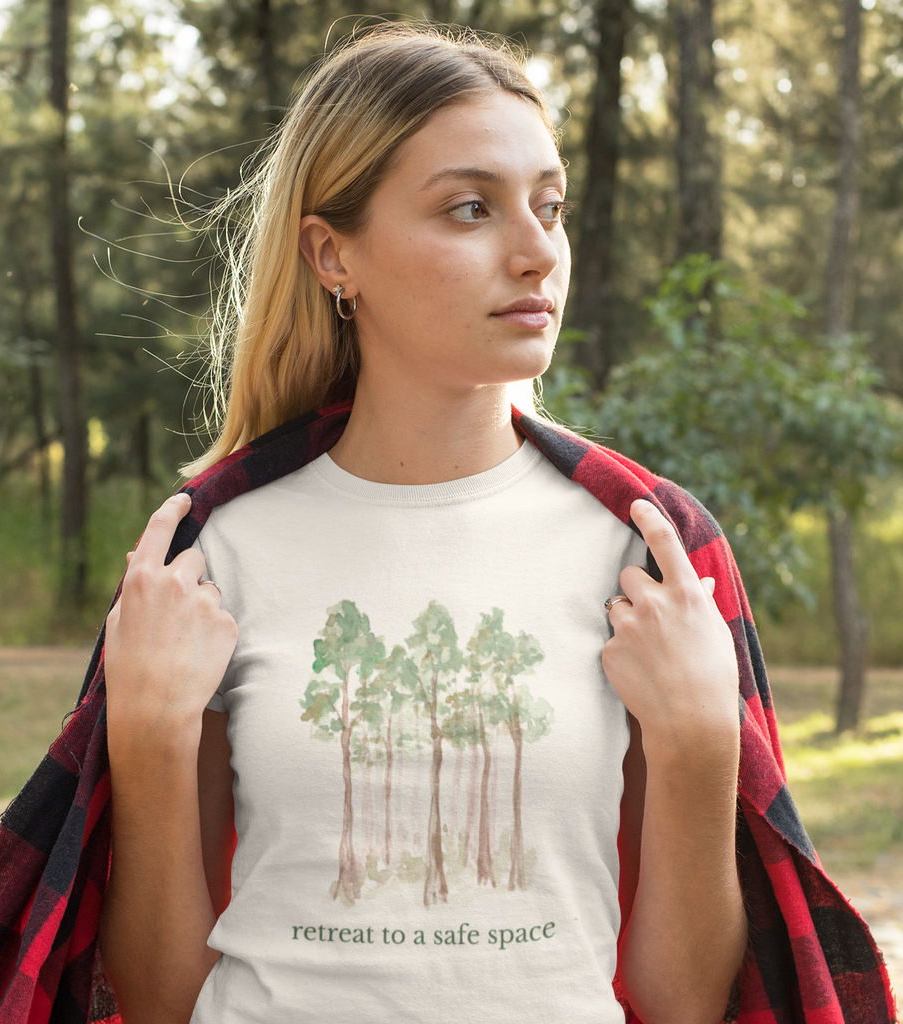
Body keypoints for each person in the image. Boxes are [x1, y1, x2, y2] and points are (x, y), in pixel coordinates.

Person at [98, 25, 749, 1024]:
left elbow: (684, 1004)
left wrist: (704, 740)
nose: (536, 252)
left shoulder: (645, 547)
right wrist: (144, 735)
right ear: (332, 254)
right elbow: (157, 1000)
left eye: (550, 206)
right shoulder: (211, 550)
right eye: (470, 208)